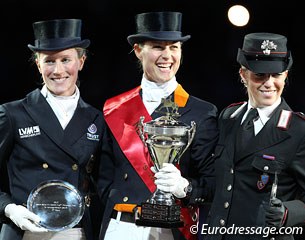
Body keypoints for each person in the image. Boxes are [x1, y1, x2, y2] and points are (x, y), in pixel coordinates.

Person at [98, 11, 219, 240]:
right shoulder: (114, 108)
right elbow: (104, 179)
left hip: (172, 229)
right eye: (157, 47)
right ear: (138, 51)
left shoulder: (202, 113)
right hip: (122, 227)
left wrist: (185, 188)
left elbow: (212, 184)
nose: (167, 55)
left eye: (174, 47)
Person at [0, 19, 105, 240]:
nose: (58, 70)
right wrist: (9, 209)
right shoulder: (12, 114)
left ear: (81, 61)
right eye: (49, 61)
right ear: (38, 64)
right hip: (25, 230)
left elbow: (104, 181)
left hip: (76, 231)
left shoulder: (97, 118)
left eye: (66, 60)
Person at [202, 32, 305, 240]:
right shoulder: (228, 117)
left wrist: (287, 213)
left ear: (286, 75)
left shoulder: (299, 130)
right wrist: (186, 189)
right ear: (243, 74)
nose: (268, 83)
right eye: (260, 75)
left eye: (276, 75)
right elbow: (222, 183)